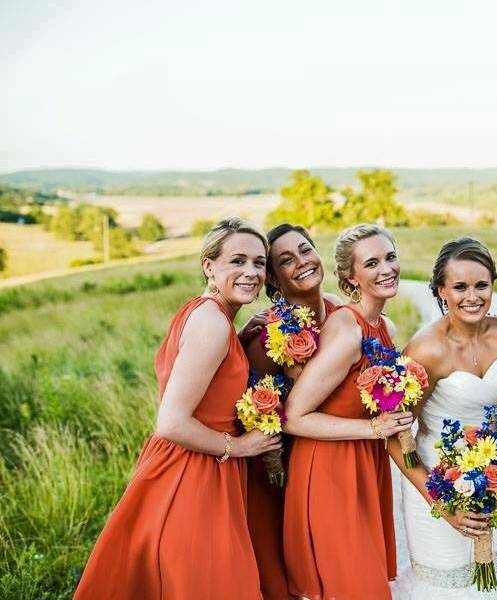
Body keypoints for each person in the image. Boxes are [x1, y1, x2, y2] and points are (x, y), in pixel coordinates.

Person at [73, 217, 280, 599]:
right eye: (238, 261)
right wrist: (241, 447)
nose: (251, 272)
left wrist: (241, 337)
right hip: (193, 475)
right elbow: (170, 421)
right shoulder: (212, 325)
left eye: (259, 262)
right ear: (209, 266)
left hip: (188, 465)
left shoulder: (207, 315)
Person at [391, 237, 497, 599]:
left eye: (482, 285)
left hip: (496, 478)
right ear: (441, 290)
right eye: (460, 287)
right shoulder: (425, 350)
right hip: (437, 483)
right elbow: (395, 435)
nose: (473, 296)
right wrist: (440, 503)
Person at [281, 224, 412, 600]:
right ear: (350, 278)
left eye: (390, 257)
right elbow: (294, 416)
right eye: (371, 263)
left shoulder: (384, 326)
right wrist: (374, 428)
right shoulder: (347, 330)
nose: (386, 268)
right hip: (329, 470)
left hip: (363, 467)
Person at [242, 224, 341, 600]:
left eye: (305, 250)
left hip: (341, 458)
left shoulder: (338, 310)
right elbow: (251, 407)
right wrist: (275, 463)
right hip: (285, 472)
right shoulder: (268, 336)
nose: (302, 262)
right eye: (286, 260)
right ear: (273, 279)